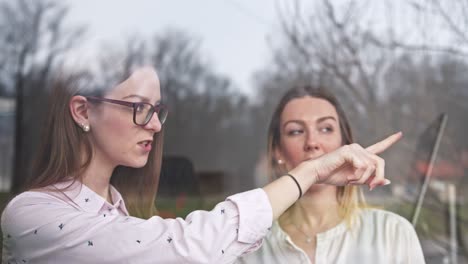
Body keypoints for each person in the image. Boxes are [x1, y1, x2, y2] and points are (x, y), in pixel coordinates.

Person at [1, 66, 401, 264]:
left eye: (158, 110)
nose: (156, 125)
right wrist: (311, 171)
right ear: (83, 110)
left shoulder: (124, 212)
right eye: (140, 108)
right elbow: (187, 246)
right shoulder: (32, 215)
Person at [236, 86, 425, 264]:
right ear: (278, 151)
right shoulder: (246, 247)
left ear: (345, 144)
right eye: (295, 131)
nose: (312, 142)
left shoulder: (392, 233)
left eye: (326, 128)